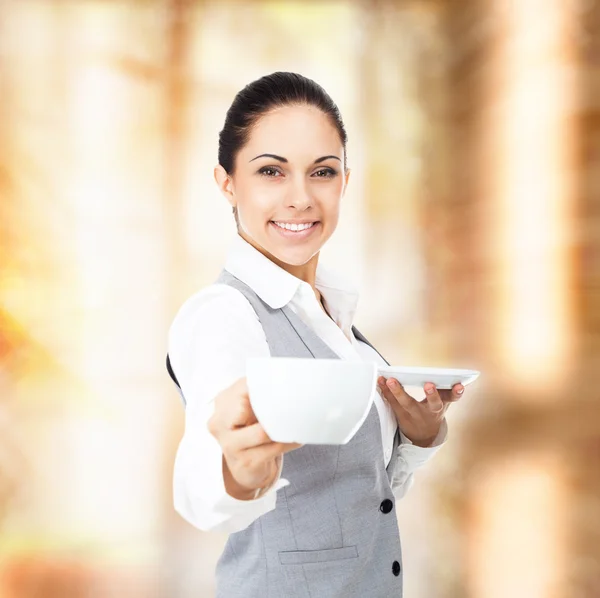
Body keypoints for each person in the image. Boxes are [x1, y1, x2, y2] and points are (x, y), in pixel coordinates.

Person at [166, 71, 466, 598]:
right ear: (227, 183)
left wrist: (418, 437)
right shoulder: (222, 315)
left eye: (322, 172)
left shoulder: (337, 317)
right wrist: (232, 468)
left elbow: (361, 495)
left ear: (345, 182)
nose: (301, 198)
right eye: (271, 172)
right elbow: (202, 478)